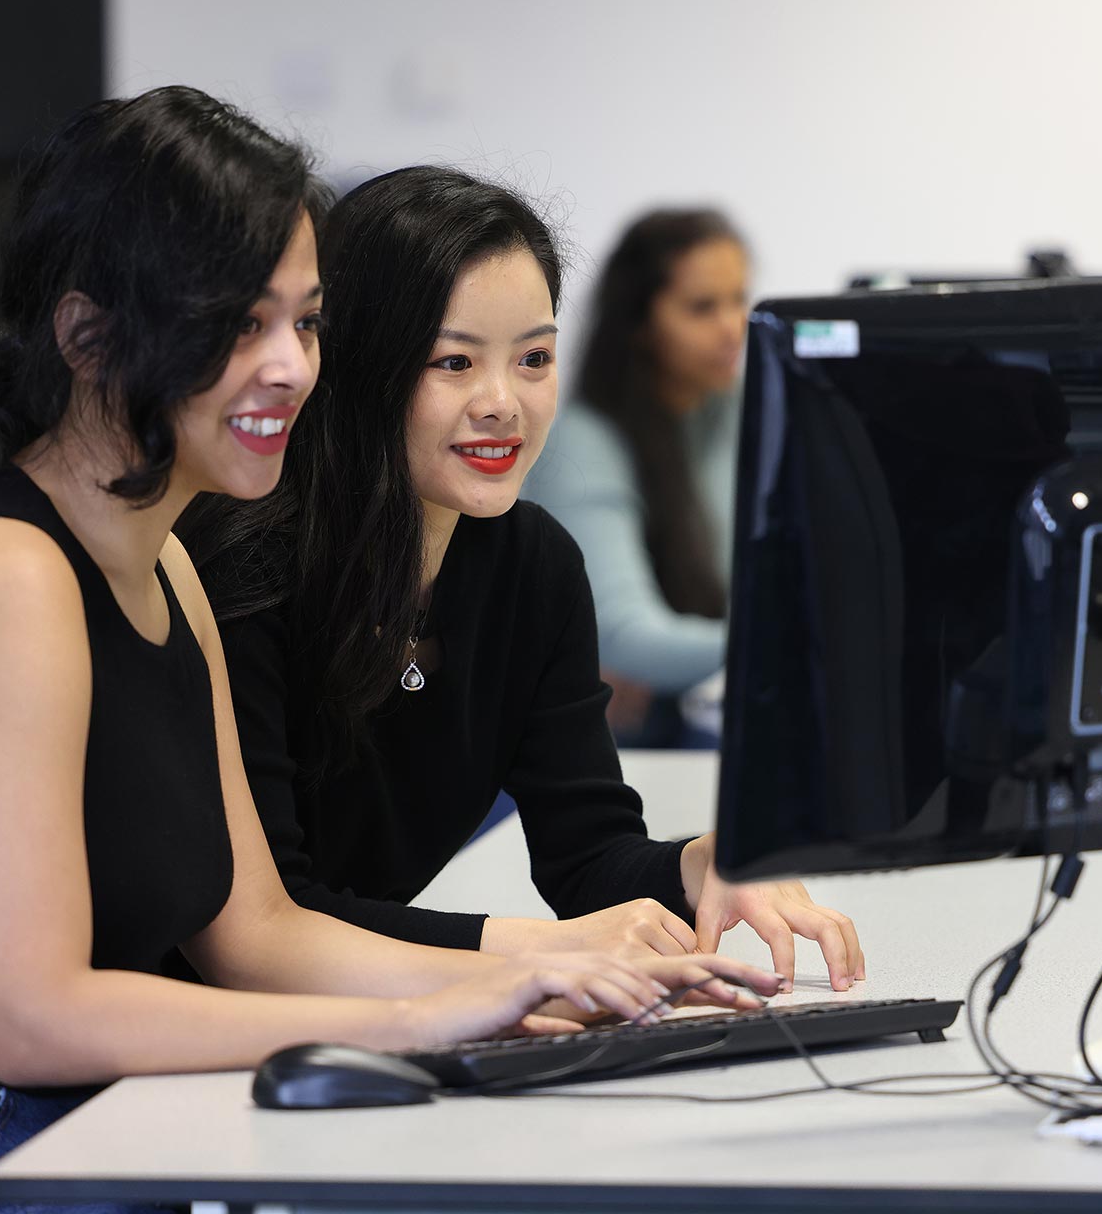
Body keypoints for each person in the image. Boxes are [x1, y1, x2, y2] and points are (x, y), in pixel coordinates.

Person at [0, 92, 776, 1214]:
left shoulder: (164, 567)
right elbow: (31, 1017)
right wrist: (423, 1015)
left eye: (306, 323)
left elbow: (260, 932)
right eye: (238, 323)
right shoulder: (3, 577)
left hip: (58, 1113)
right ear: (86, 334)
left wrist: (526, 979)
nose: (291, 369)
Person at [182, 168, 863, 988]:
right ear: (360, 366)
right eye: (453, 362)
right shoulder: (243, 568)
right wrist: (530, 952)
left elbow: (587, 856)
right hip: (169, 1043)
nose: (503, 402)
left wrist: (698, 863)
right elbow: (269, 924)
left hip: (359, 1012)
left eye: (534, 357)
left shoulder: (533, 566)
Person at [521, 209, 748, 745]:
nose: (732, 326)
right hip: (633, 738)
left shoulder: (743, 408)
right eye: (702, 307)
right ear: (641, 322)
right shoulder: (582, 438)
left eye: (740, 299)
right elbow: (624, 636)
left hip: (704, 708)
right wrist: (783, 644)